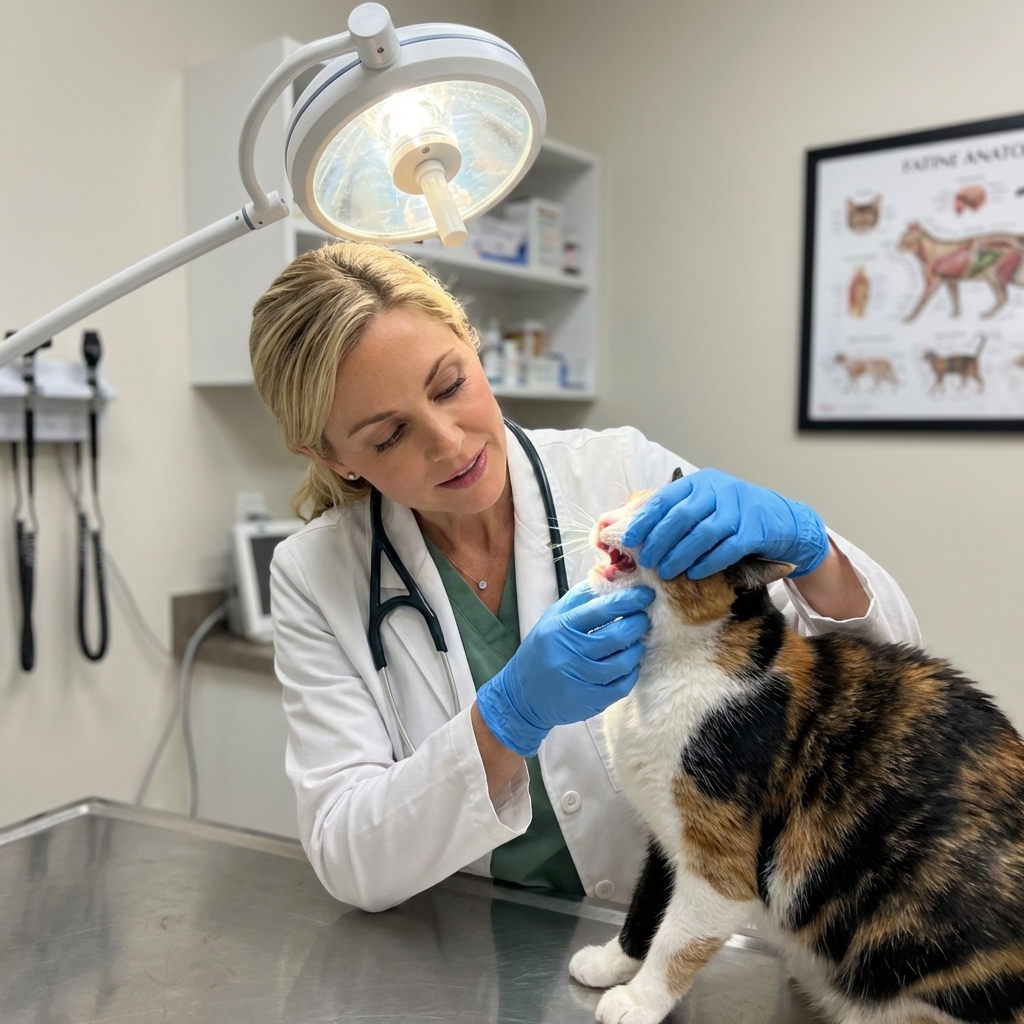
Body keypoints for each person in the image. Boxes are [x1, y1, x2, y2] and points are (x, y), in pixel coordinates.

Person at [250, 242, 921, 913]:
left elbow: (879, 686)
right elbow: (351, 861)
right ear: (334, 458)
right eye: (388, 435)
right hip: (477, 950)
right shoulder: (316, 572)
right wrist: (507, 719)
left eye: (450, 385)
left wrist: (811, 550)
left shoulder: (621, 474)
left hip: (682, 932)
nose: (450, 443)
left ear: (469, 340)